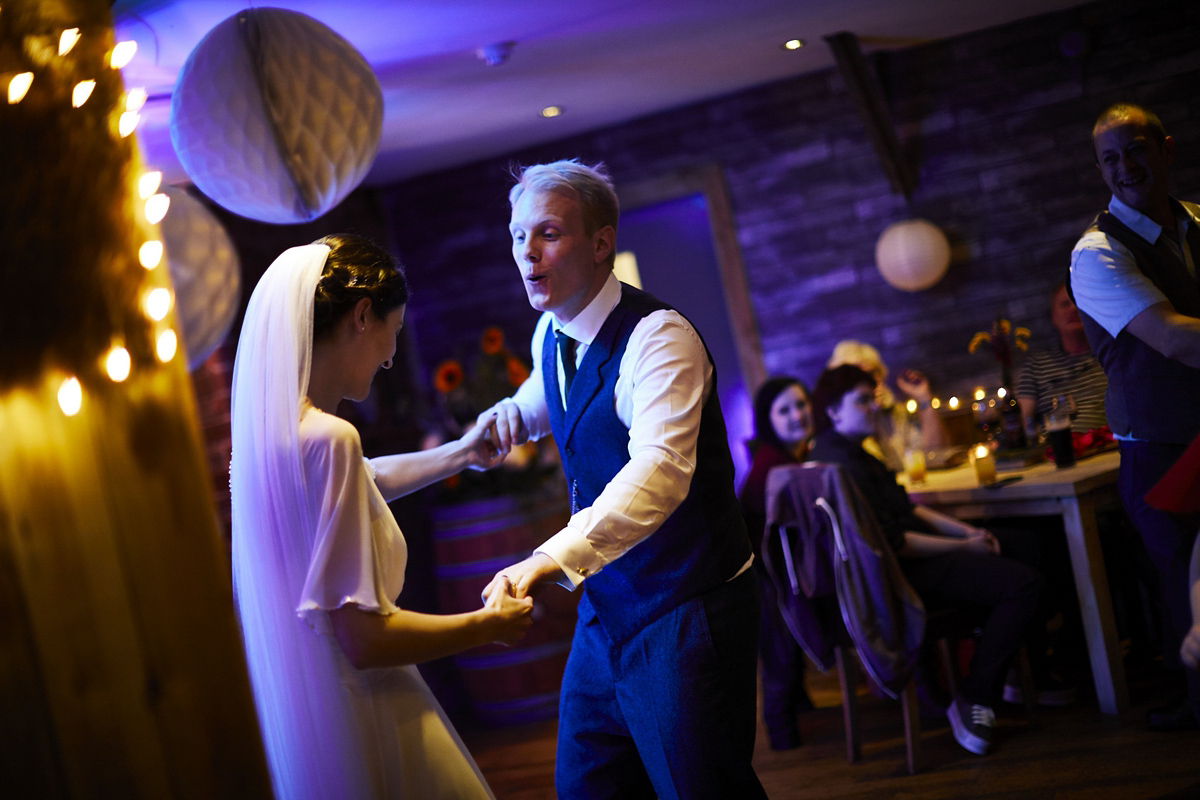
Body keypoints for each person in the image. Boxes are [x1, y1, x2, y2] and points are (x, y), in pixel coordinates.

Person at [480, 159, 768, 798]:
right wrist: (507, 419)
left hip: (686, 601)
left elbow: (659, 472)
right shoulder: (549, 332)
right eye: (518, 235)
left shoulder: (660, 339)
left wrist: (547, 558)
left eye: (548, 233)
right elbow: (548, 390)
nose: (527, 252)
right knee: (587, 786)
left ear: (601, 241)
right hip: (606, 609)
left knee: (701, 788)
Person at [229, 234, 534, 800]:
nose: (391, 357)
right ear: (362, 317)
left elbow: (365, 481)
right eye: (392, 334)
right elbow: (365, 641)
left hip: (319, 720)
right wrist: (487, 626)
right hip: (372, 713)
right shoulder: (330, 438)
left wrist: (462, 453)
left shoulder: (267, 446)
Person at [808, 364, 1048, 756]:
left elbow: (909, 509)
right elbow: (895, 543)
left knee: (1025, 544)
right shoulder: (839, 464)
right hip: (898, 577)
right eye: (862, 401)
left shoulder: (853, 453)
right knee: (1023, 584)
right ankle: (974, 696)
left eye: (873, 398)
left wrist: (965, 533)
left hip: (907, 559)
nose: (873, 407)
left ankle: (1026, 676)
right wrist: (962, 547)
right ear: (834, 412)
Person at [1069, 102, 1200, 732]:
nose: (1126, 168)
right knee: (1186, 587)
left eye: (1137, 149)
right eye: (1110, 159)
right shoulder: (1095, 254)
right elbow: (1175, 340)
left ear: (1166, 147)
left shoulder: (1199, 221)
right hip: (1160, 446)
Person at [739, 377, 817, 750]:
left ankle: (798, 711)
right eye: (784, 410)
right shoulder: (772, 464)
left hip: (779, 566)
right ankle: (782, 733)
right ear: (768, 420)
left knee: (786, 648)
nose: (797, 415)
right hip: (761, 572)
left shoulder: (791, 455)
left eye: (801, 405)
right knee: (780, 651)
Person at [827, 339, 950, 472]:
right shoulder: (837, 430)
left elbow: (935, 455)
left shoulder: (894, 413)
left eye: (872, 373)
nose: (869, 383)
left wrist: (923, 398)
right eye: (858, 377)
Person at [1017, 283, 1109, 434]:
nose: (1073, 308)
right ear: (1054, 316)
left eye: (1077, 302)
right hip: (1058, 451)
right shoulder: (1037, 365)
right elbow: (1022, 423)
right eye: (1065, 304)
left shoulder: (1109, 354)